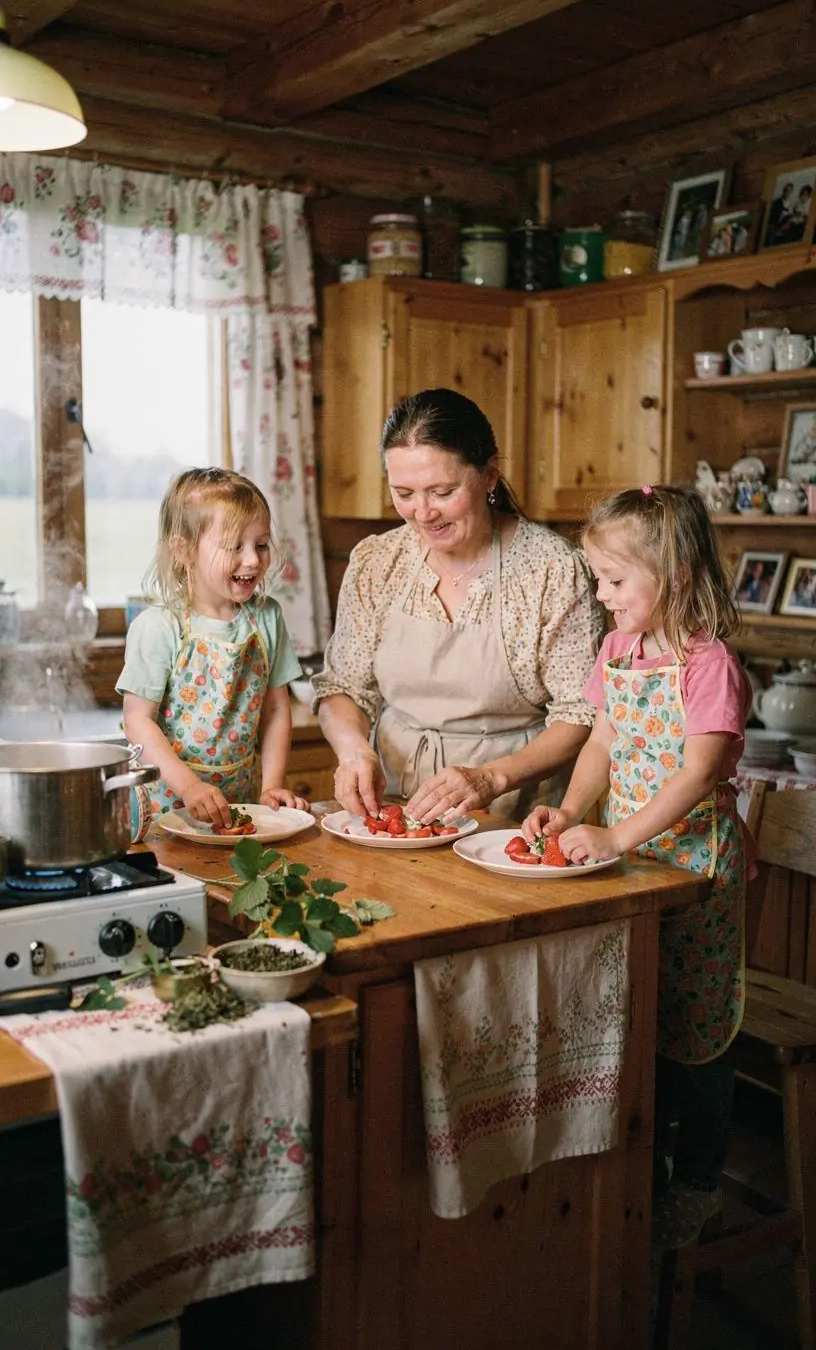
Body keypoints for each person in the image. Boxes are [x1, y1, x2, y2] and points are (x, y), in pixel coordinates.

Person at [521, 483, 752, 1249]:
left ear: (676, 578)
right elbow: (600, 746)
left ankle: (698, 1180)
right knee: (638, 1017)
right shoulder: (618, 651)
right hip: (634, 868)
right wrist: (575, 812)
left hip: (694, 875)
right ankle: (638, 1175)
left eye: (614, 581)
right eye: (598, 578)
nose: (601, 594)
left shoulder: (708, 665)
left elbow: (695, 775)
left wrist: (617, 839)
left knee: (696, 1032)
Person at [312, 388, 604, 823]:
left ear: (488, 476)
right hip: (395, 807)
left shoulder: (552, 569)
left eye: (442, 491)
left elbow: (580, 714)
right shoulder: (377, 562)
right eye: (404, 493)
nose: (423, 512)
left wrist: (489, 779)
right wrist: (354, 751)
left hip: (513, 816)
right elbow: (344, 688)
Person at [117, 467, 307, 827]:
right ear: (183, 550)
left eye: (261, 545)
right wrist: (190, 787)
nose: (252, 560)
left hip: (243, 803)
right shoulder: (159, 628)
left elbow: (276, 709)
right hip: (167, 808)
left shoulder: (266, 618)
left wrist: (272, 787)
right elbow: (137, 720)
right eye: (235, 546)